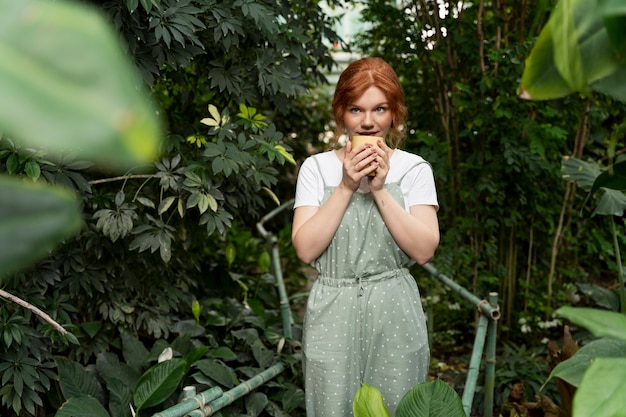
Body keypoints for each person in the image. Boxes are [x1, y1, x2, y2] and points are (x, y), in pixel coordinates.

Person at [291, 56, 440, 417]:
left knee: (397, 406)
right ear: (341, 112)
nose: (368, 122)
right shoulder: (316, 168)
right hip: (332, 310)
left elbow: (424, 250)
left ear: (394, 114)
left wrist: (379, 188)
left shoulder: (414, 168)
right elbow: (306, 249)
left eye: (380, 109)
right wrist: (345, 185)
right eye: (356, 109)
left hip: (394, 309)